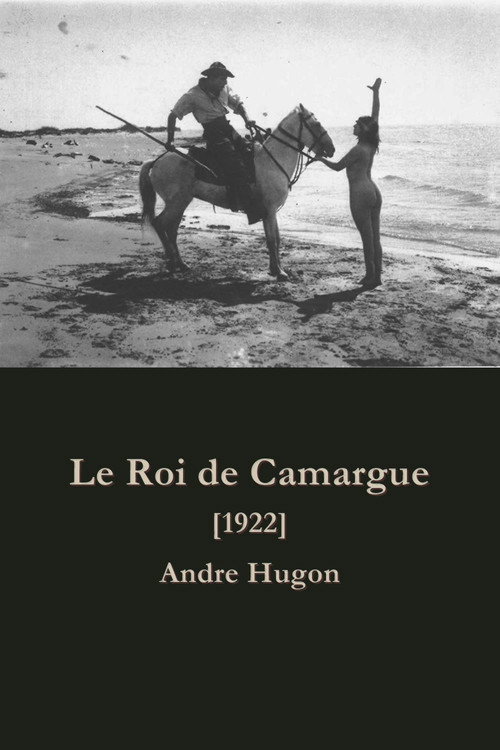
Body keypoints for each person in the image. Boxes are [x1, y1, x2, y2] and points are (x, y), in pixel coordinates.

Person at [166, 62, 265, 224]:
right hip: (213, 133)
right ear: (211, 78)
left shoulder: (224, 89)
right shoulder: (192, 95)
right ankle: (250, 208)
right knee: (234, 162)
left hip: (227, 128)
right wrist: (170, 140)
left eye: (226, 79)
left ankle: (251, 193)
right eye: (222, 79)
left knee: (250, 152)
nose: (225, 82)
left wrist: (247, 120)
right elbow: (173, 115)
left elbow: (238, 105)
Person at [321, 78, 383, 288]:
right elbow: (375, 116)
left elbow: (337, 167)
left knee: (366, 238)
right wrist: (375, 93)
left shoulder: (357, 150)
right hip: (374, 191)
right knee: (375, 237)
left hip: (360, 194)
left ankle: (369, 276)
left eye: (357, 124)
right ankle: (377, 276)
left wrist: (320, 159)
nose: (354, 125)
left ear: (363, 129)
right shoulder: (371, 145)